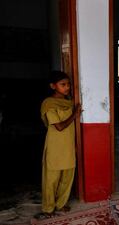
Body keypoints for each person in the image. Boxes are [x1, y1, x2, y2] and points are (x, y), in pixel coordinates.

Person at [37, 71, 81, 218]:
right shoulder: (49, 104)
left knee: (67, 177)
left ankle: (60, 205)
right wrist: (75, 115)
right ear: (53, 86)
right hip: (55, 145)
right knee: (51, 180)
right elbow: (59, 127)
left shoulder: (69, 101)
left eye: (68, 84)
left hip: (68, 144)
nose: (67, 87)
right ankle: (48, 208)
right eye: (63, 84)